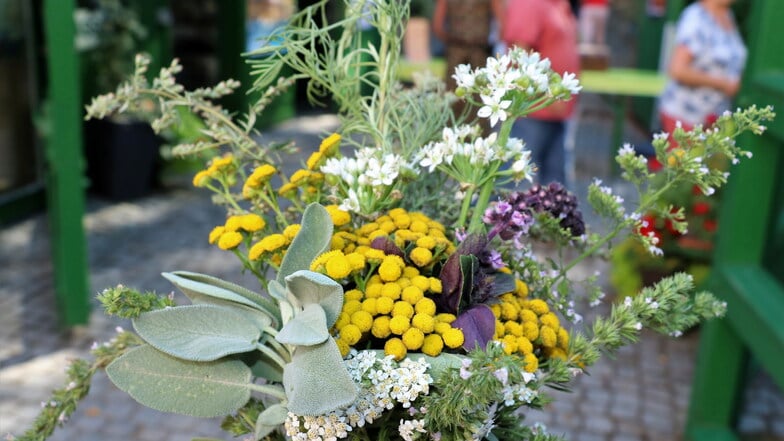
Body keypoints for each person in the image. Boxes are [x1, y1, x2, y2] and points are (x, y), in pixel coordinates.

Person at [502, 0, 580, 186]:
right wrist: (546, 98)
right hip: (533, 112)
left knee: (555, 187)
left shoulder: (560, 4)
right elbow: (519, 53)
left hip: (554, 114)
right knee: (511, 184)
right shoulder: (529, 3)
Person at [658, 0, 747, 141]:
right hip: (686, 116)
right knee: (682, 161)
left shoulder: (727, 14)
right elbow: (677, 70)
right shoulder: (696, 17)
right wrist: (724, 84)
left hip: (713, 117)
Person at [433, 0, 504, 122]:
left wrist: (453, 42)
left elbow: (438, 26)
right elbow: (503, 24)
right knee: (481, 99)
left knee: (453, 97)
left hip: (456, 51)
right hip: (479, 51)